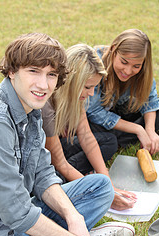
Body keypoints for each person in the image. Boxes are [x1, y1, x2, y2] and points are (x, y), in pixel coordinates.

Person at [0, 33, 135, 236]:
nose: (43, 84)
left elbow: (43, 173)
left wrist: (74, 218)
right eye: (33, 71)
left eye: (51, 75)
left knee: (101, 186)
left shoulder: (30, 107)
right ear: (12, 71)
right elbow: (16, 212)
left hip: (18, 218)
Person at [42, 44, 136, 211]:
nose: (92, 93)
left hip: (58, 152)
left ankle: (80, 178)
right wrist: (103, 191)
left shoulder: (77, 98)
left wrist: (107, 183)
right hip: (42, 161)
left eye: (94, 87)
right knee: (56, 179)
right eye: (87, 87)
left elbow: (86, 136)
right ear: (71, 82)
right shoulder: (46, 106)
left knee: (108, 141)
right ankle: (79, 179)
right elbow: (59, 162)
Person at [86, 29, 159, 155]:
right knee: (92, 127)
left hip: (119, 109)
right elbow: (94, 112)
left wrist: (150, 130)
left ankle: (118, 138)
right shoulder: (95, 62)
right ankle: (121, 138)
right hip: (96, 116)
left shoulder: (143, 70)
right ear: (113, 50)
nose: (127, 71)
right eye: (124, 62)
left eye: (136, 66)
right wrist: (138, 129)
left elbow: (150, 100)